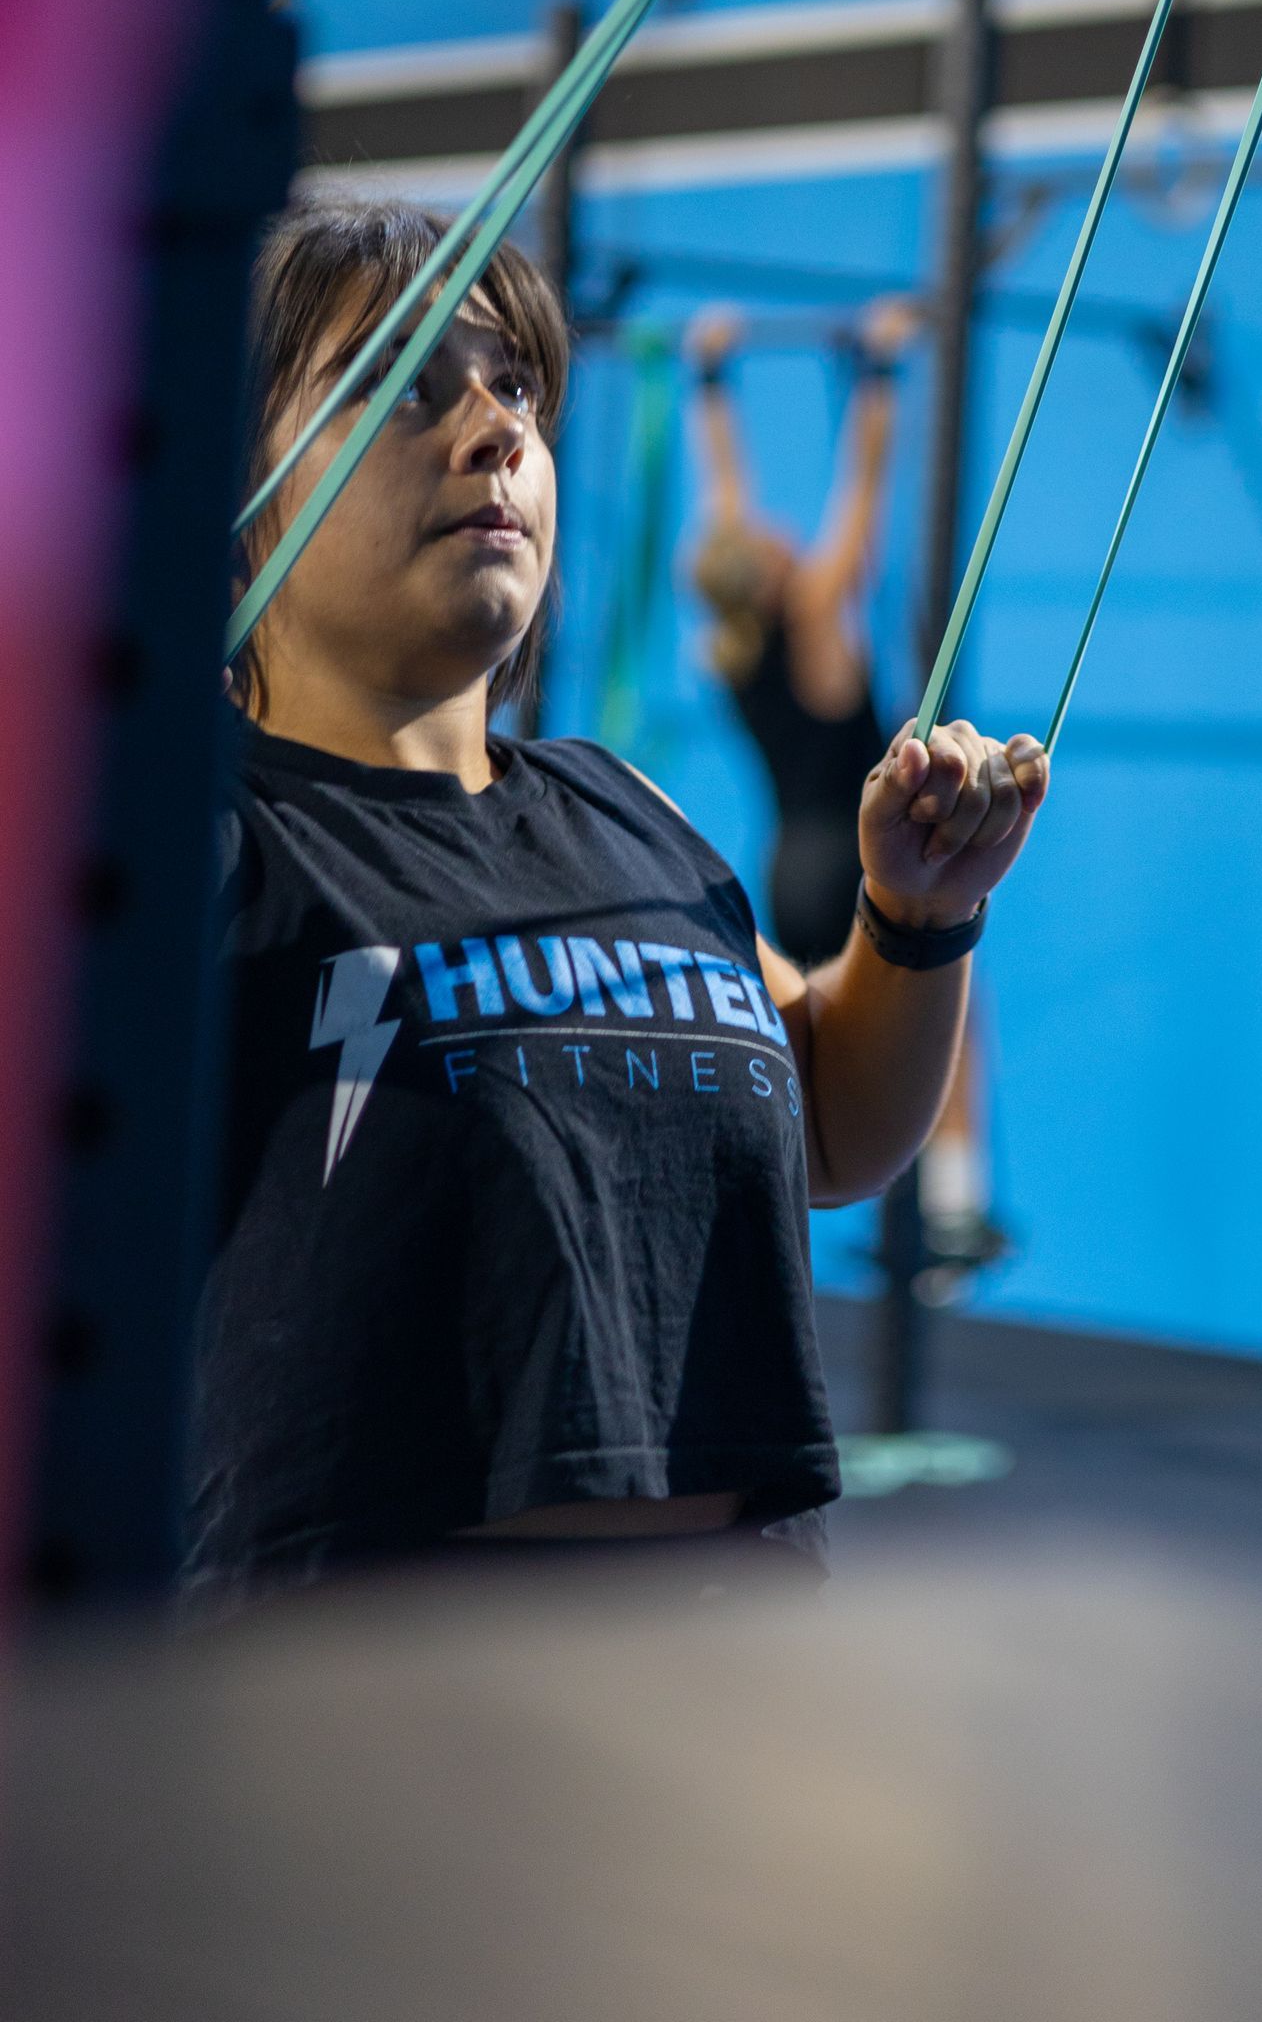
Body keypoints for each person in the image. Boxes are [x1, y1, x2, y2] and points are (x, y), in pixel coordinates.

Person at [186, 201, 1048, 1603]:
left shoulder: (618, 807)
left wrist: (917, 917)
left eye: (512, 384)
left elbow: (827, 1126)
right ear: (225, 498)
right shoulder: (203, 849)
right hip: (363, 1716)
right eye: (405, 387)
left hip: (724, 1672)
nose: (494, 431)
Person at [686, 302, 1004, 1271]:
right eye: (776, 541)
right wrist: (879, 375)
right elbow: (863, 495)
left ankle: (767, 1224)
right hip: (865, 861)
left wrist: (711, 382)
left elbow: (724, 500)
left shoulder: (730, 639)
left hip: (789, 866)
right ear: (775, 573)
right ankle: (951, 1215)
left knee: (815, 1057)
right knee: (945, 1021)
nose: (779, 532)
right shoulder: (819, 613)